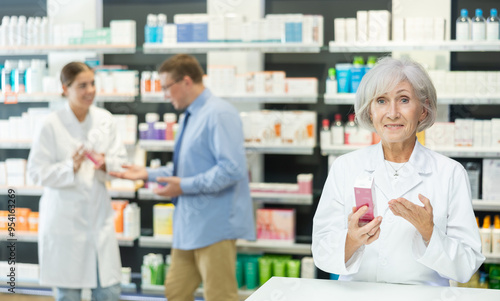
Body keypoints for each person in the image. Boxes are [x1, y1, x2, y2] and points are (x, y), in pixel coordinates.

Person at [312, 57, 485, 286]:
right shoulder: (345, 168)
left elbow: (466, 265)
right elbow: (322, 252)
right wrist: (351, 241)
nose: (392, 113)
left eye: (404, 100)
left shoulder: (450, 173)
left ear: (423, 110)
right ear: (370, 111)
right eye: (381, 101)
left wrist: (429, 232)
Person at [110, 54, 255, 301]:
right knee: (176, 291)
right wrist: (147, 173)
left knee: (219, 296)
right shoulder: (191, 115)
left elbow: (232, 169)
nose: (165, 95)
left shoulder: (219, 113)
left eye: (167, 87)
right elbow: (187, 168)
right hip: (189, 226)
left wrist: (183, 187)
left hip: (215, 226)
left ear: (186, 81)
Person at [27, 62, 126, 301]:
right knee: (68, 293)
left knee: (109, 291)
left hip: (98, 217)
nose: (90, 90)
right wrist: (69, 166)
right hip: (65, 222)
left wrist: (106, 164)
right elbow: (36, 172)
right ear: (65, 89)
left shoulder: (105, 120)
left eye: (92, 83)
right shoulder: (50, 124)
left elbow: (120, 164)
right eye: (82, 85)